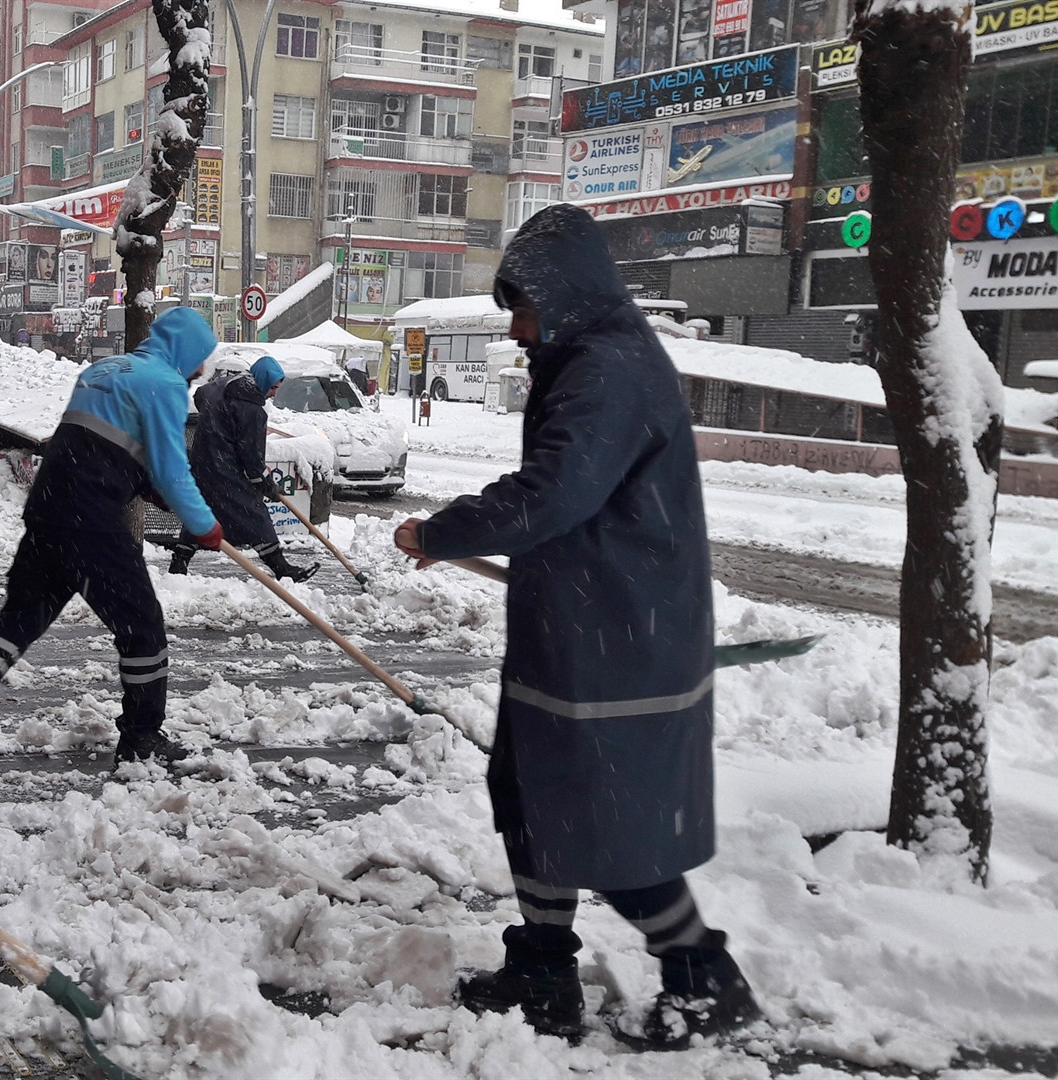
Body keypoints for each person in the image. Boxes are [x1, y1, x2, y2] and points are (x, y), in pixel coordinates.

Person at [391, 203, 757, 1047]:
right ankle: (543, 970)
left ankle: (706, 979)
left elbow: (556, 491)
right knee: (532, 800)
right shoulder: (588, 358)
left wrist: (445, 532)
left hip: (618, 639)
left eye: (523, 307)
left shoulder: (609, 368)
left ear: (564, 296)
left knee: (612, 825)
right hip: (573, 630)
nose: (515, 329)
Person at [0, 307, 224, 773]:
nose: (200, 370)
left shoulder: (103, 371)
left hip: (50, 511)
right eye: (201, 358)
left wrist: (142, 483)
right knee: (142, 628)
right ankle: (141, 738)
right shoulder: (164, 383)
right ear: (187, 350)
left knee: (17, 622)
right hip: (91, 522)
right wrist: (204, 525)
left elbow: (97, 445)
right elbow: (172, 469)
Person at [170, 355, 317, 582]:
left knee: (203, 511)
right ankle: (281, 568)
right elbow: (252, 459)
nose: (273, 394)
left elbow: (201, 395)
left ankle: (178, 563)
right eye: (273, 387)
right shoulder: (252, 410)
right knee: (255, 514)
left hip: (203, 465)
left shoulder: (225, 385)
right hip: (226, 471)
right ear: (263, 380)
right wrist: (267, 485)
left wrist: (216, 420)